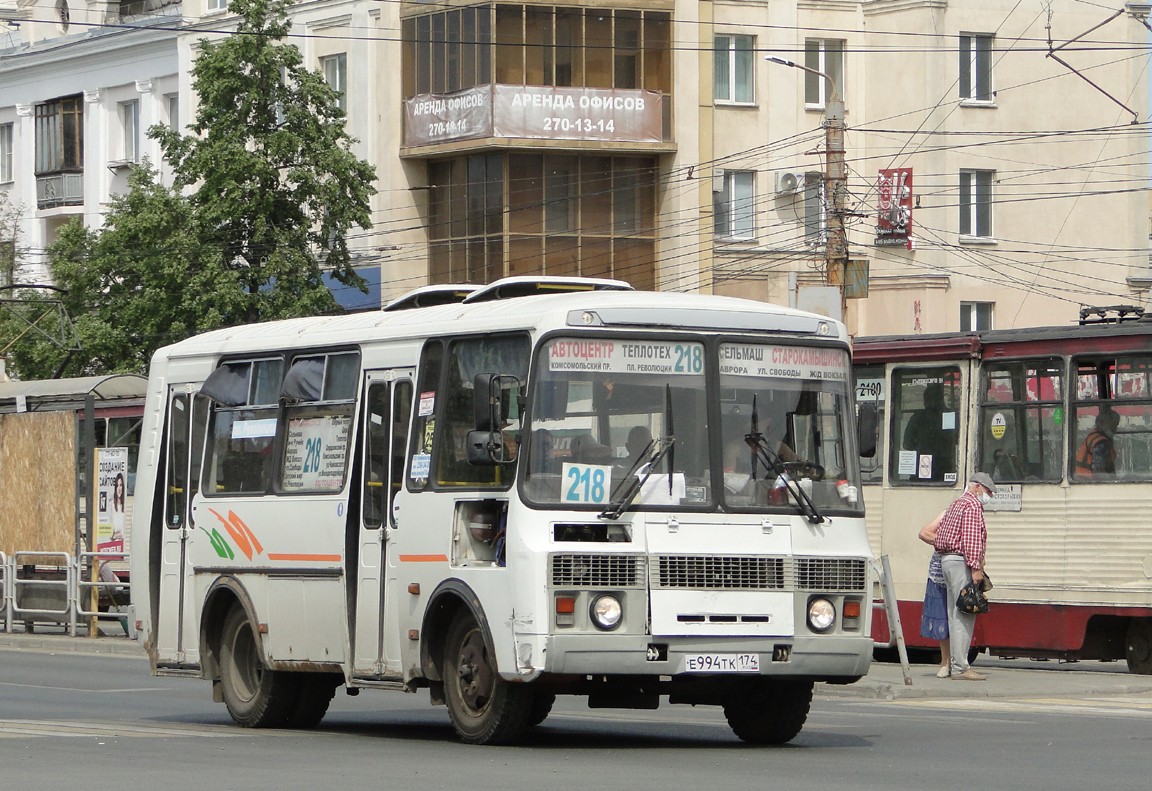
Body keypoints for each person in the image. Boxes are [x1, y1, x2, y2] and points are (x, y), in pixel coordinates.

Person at [933, 472, 995, 680]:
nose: (989, 496)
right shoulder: (971, 506)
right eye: (987, 491)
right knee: (964, 613)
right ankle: (961, 667)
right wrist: (975, 568)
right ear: (977, 487)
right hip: (961, 563)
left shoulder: (955, 504)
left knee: (954, 612)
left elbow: (939, 537)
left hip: (947, 561)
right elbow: (971, 538)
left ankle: (954, 664)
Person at [918, 509, 950, 678]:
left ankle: (958, 662)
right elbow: (924, 533)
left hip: (962, 574)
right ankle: (945, 662)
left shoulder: (974, 515)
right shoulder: (947, 513)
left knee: (959, 619)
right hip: (939, 574)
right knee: (941, 618)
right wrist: (947, 543)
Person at [902, 383, 955, 482]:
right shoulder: (948, 415)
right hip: (945, 467)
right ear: (941, 400)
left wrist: (920, 447)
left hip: (923, 466)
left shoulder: (918, 417)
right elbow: (956, 440)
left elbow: (906, 444)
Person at [1074, 409, 1119, 478]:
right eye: (1113, 424)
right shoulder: (1101, 442)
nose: (1115, 429)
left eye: (1116, 425)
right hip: (1090, 483)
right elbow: (1098, 471)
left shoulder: (1092, 437)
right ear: (1102, 423)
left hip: (1081, 481)